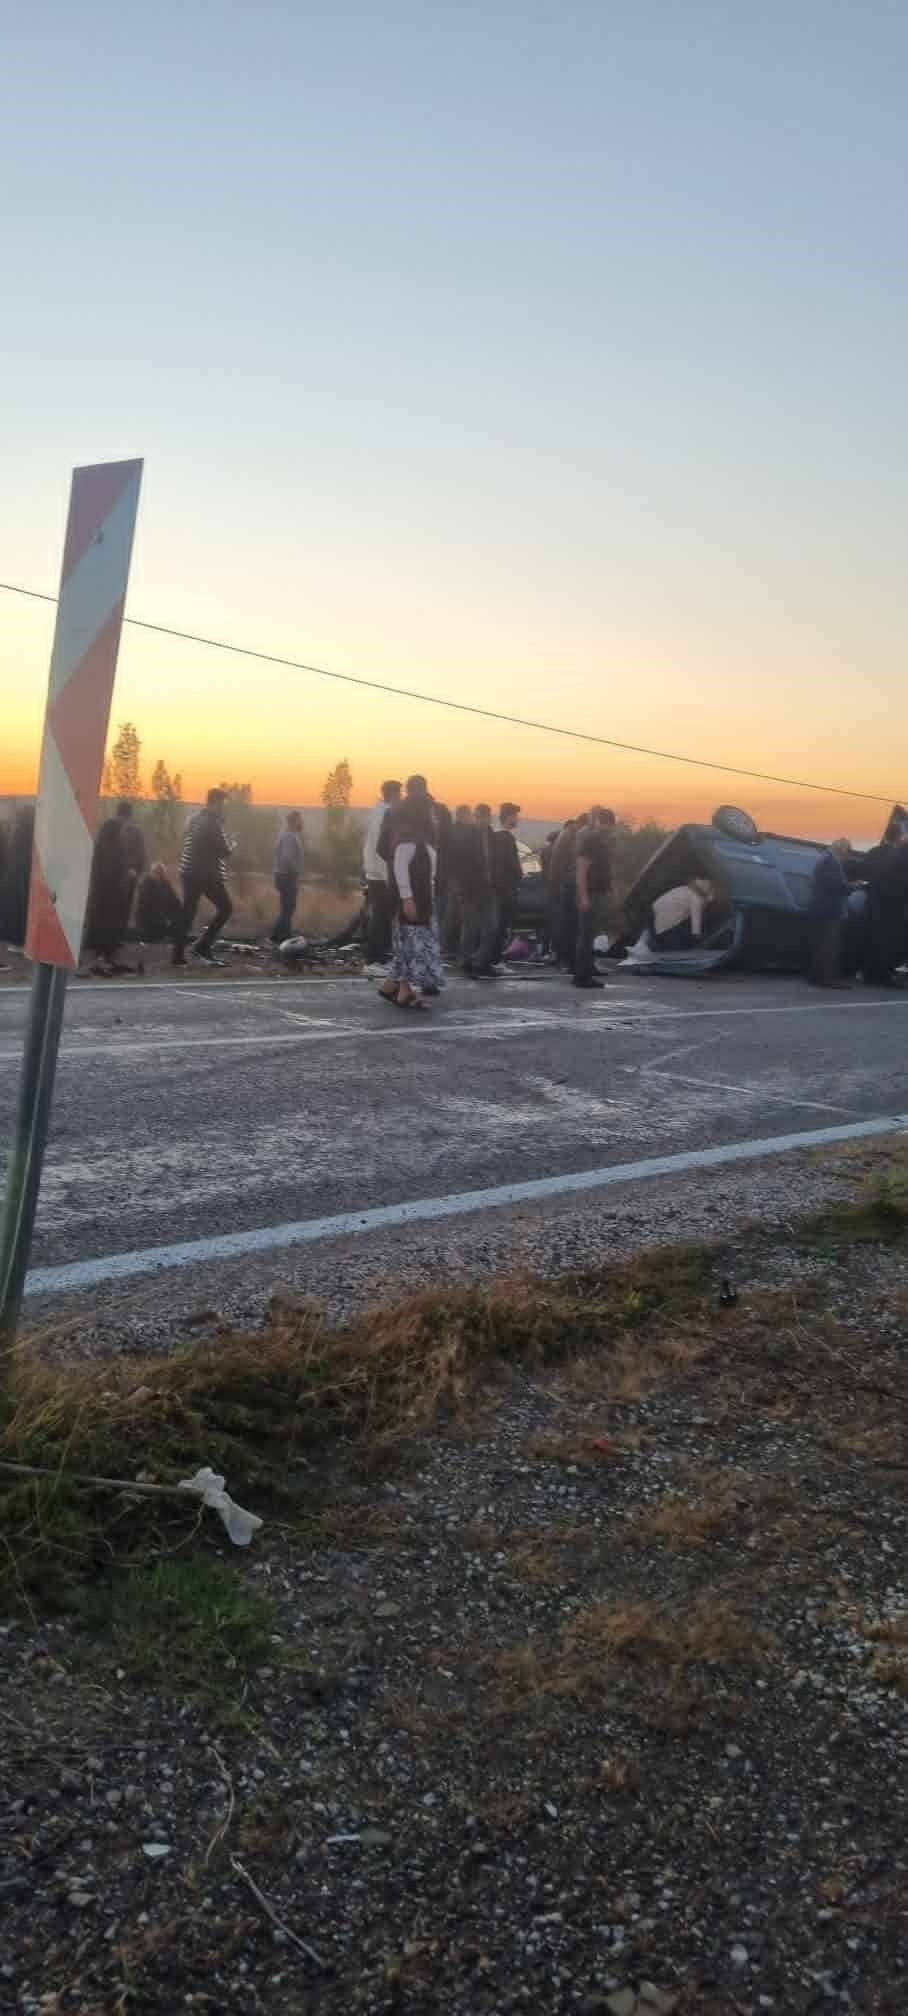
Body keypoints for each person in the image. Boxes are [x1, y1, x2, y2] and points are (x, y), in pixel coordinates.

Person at [378, 777, 444, 1009]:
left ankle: (391, 986)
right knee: (411, 944)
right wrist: (406, 897)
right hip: (411, 899)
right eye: (431, 813)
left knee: (409, 943)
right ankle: (404, 992)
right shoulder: (409, 837)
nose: (434, 818)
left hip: (420, 897)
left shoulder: (420, 838)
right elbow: (400, 865)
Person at [83, 801, 145, 973]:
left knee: (103, 917)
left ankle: (102, 949)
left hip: (105, 887)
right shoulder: (126, 833)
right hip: (117, 887)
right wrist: (133, 871)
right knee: (116, 917)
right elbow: (138, 856)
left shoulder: (105, 833)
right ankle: (109, 948)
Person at [180, 787, 233, 965]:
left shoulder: (194, 818)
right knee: (225, 908)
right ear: (216, 803)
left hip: (188, 871)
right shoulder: (212, 822)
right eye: (223, 804)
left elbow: (189, 840)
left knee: (187, 912)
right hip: (205, 874)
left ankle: (178, 955)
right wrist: (232, 844)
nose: (224, 808)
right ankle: (202, 945)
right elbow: (224, 851)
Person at [572, 807, 616, 989]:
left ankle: (588, 969)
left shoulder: (602, 841)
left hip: (598, 892)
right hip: (590, 892)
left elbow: (604, 868)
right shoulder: (592, 841)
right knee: (586, 935)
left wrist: (611, 889)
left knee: (590, 933)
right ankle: (582, 976)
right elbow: (582, 869)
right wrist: (583, 897)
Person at [363, 780, 401, 976]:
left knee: (382, 917)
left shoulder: (378, 811)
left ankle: (381, 958)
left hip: (377, 872)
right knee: (381, 917)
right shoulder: (384, 813)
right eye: (399, 793)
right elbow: (381, 847)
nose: (401, 797)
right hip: (381, 874)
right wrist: (389, 877)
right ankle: (374, 960)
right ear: (393, 794)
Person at [861, 828, 908, 984]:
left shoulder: (874, 851)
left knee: (872, 937)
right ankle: (883, 975)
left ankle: (869, 973)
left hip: (873, 902)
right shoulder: (900, 855)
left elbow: (863, 871)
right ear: (899, 838)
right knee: (889, 940)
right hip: (894, 904)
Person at [459, 803, 499, 977]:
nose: (483, 819)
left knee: (491, 926)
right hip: (471, 887)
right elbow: (461, 863)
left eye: (486, 816)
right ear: (476, 817)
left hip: (489, 887)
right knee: (471, 927)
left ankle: (482, 961)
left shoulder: (492, 836)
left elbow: (495, 861)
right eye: (480, 816)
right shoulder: (468, 836)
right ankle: (467, 961)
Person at [806, 841, 851, 987]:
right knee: (829, 946)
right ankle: (828, 979)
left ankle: (816, 977)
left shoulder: (824, 859)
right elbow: (835, 886)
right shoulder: (830, 862)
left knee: (820, 945)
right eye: (847, 850)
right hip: (829, 910)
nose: (847, 854)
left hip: (821, 908)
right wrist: (852, 886)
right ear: (841, 849)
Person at [491, 802, 523, 962]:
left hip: (497, 888)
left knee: (497, 926)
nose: (518, 819)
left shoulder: (495, 836)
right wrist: (519, 875)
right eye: (516, 816)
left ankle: (493, 959)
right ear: (509, 817)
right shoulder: (507, 838)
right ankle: (495, 960)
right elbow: (512, 866)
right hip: (505, 890)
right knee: (501, 926)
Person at [442, 804, 474, 957]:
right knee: (459, 914)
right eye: (469, 815)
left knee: (453, 912)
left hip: (453, 876)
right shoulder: (460, 832)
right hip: (459, 877)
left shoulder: (452, 831)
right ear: (462, 815)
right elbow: (464, 855)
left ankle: (448, 946)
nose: (471, 818)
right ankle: (452, 947)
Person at [136, 862, 185, 962]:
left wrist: (181, 911)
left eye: (161, 874)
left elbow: (174, 899)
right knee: (157, 934)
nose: (158, 876)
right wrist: (165, 918)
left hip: (162, 919)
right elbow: (147, 906)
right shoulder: (146, 883)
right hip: (149, 921)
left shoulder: (165, 883)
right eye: (156, 873)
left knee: (179, 924)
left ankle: (172, 937)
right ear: (152, 873)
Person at [651, 877, 715, 952]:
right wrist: (700, 939)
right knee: (676, 945)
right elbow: (696, 924)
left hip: (658, 913)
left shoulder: (684, 888)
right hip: (668, 926)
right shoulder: (697, 899)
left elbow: (656, 904)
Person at [270, 811, 304, 945]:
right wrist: (295, 874)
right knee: (288, 907)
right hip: (287, 876)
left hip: (283, 876)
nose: (302, 822)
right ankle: (277, 936)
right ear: (294, 821)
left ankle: (284, 935)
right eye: (300, 820)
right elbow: (287, 858)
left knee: (287, 907)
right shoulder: (289, 836)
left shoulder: (288, 835)